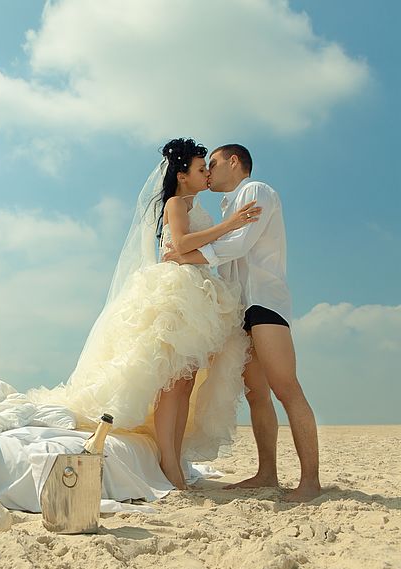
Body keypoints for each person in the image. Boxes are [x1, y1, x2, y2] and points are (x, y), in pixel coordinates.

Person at [26, 138, 260, 490]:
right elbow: (180, 245)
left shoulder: (194, 204)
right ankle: (169, 462)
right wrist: (231, 225)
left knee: (184, 384)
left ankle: (174, 458)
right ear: (182, 175)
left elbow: (194, 248)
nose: (207, 174)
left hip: (199, 291)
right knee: (171, 384)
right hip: (177, 293)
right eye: (201, 169)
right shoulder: (177, 204)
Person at [163, 144, 321, 501]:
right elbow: (225, 258)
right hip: (242, 308)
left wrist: (186, 255)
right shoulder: (225, 206)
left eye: (213, 165)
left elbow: (238, 245)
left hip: (265, 303)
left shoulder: (255, 191)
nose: (208, 173)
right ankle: (267, 473)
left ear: (234, 163)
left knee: (287, 389)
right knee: (257, 396)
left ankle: (310, 481)